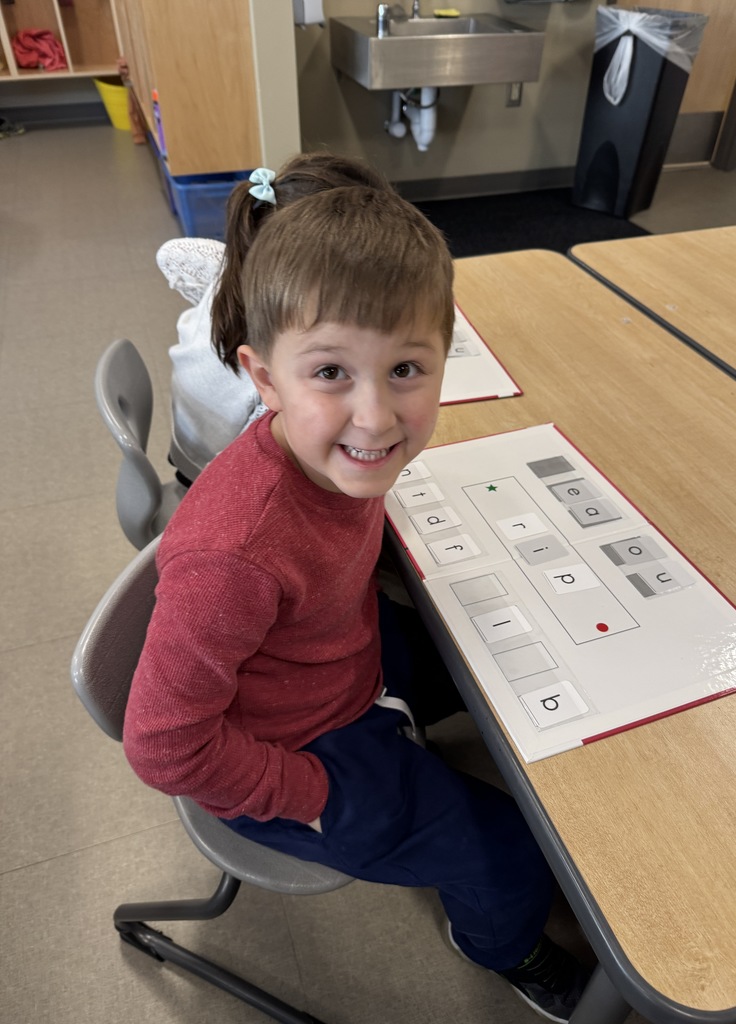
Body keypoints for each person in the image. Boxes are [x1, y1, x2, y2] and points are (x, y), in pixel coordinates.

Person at [123, 162, 591, 1022]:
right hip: (298, 754)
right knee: (511, 850)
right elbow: (162, 748)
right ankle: (504, 944)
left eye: (407, 369)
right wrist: (313, 795)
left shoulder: (326, 462)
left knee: (509, 662)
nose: (376, 418)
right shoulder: (236, 552)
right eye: (332, 373)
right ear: (262, 379)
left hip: (333, 663)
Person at [157, 153, 395, 482]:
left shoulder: (239, 265)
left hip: (183, 444)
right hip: (211, 476)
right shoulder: (273, 383)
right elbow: (309, 461)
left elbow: (170, 254)